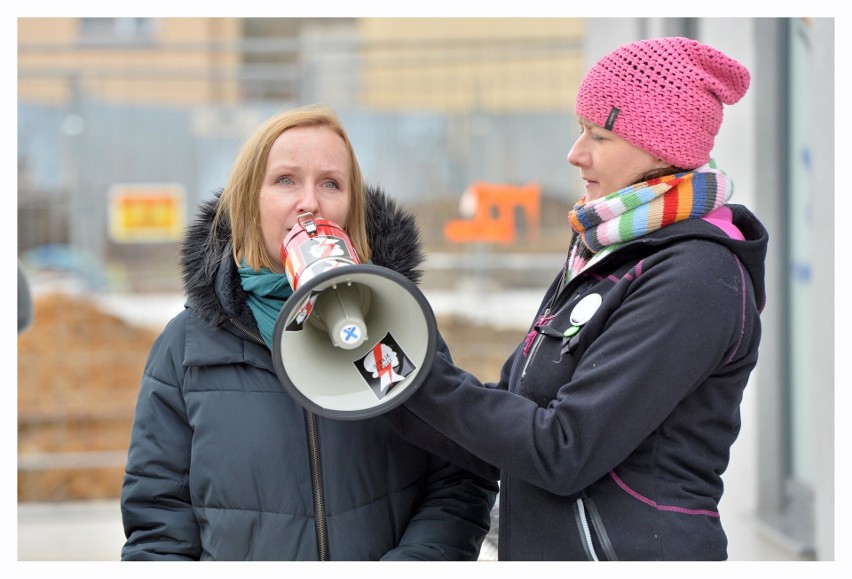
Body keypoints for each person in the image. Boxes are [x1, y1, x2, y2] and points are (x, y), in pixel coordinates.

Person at [390, 36, 768, 561]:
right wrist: (380, 390)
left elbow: (562, 449)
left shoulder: (696, 277)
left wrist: (412, 375)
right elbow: (512, 413)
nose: (575, 153)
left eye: (600, 135)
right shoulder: (607, 250)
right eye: (579, 129)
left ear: (663, 149)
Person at [120, 104, 497, 561]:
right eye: (285, 180)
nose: (309, 203)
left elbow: (458, 481)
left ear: (351, 208)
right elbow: (158, 524)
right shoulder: (186, 348)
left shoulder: (399, 325)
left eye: (330, 184)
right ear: (248, 201)